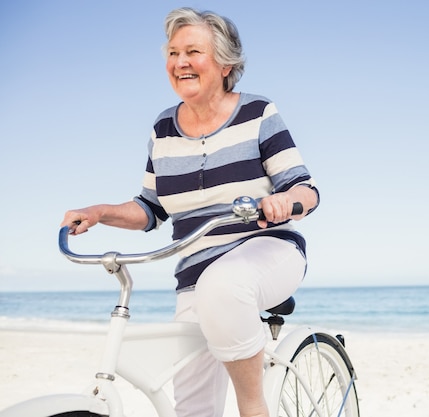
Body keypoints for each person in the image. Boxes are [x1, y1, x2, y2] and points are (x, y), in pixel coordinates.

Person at [60, 7, 319, 417]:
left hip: (267, 249)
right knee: (192, 408)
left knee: (224, 286)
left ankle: (253, 407)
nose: (180, 61)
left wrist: (287, 200)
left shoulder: (258, 114)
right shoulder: (163, 128)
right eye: (173, 52)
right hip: (195, 273)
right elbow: (151, 208)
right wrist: (99, 212)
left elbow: (305, 188)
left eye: (193, 51)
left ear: (225, 63)